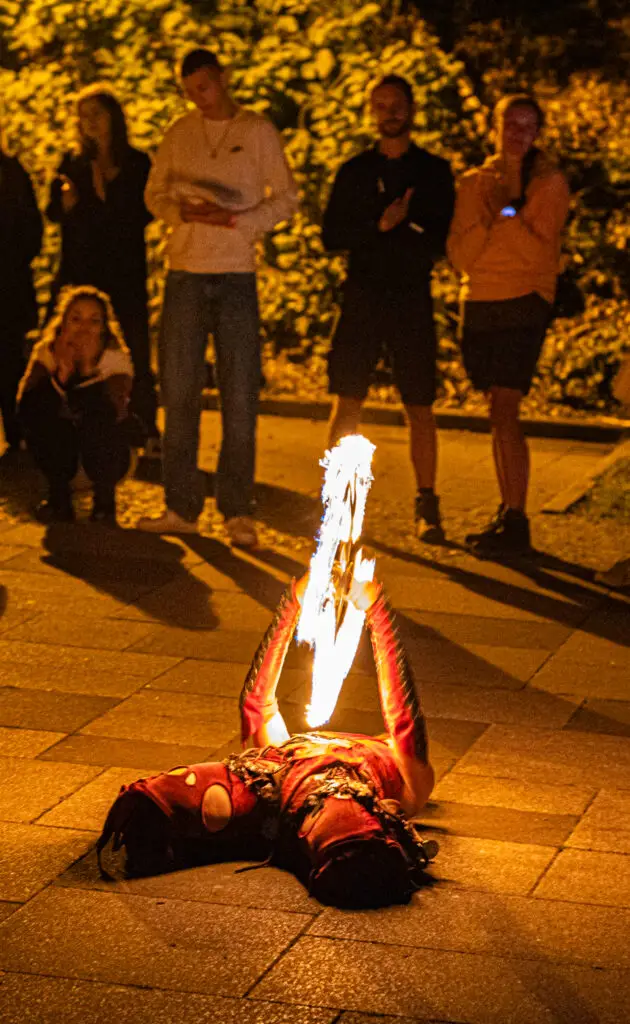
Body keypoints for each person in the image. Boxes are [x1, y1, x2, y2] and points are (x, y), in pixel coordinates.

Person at [97, 573, 437, 908]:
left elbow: (402, 718)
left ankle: (351, 856)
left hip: (303, 791)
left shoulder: (408, 782)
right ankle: (158, 821)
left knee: (343, 821)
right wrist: (304, 605)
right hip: (274, 781)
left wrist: (369, 612)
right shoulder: (407, 779)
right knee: (177, 791)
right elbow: (402, 719)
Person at [138, 48, 299, 548]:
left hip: (234, 273)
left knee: (239, 392)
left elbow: (287, 196)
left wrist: (238, 222)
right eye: (190, 93)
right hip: (184, 270)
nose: (199, 100)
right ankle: (180, 505)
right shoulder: (180, 132)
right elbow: (154, 192)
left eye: (204, 89)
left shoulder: (255, 132)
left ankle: (236, 510)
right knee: (180, 391)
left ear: (222, 79)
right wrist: (180, 214)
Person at [322, 75, 455, 543]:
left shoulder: (434, 172)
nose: (389, 112)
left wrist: (408, 226)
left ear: (412, 109)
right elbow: (331, 235)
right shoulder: (354, 171)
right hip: (362, 294)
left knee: (419, 402)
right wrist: (378, 225)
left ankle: (427, 503)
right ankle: (338, 504)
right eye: (380, 105)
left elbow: (442, 238)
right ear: (370, 112)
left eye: (396, 104)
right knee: (348, 399)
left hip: (411, 297)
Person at [447, 94, 570, 557]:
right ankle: (507, 512)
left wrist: (504, 215)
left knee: (505, 407)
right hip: (479, 300)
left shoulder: (549, 184)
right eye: (510, 124)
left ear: (538, 132)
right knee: (495, 412)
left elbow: (539, 254)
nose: (518, 134)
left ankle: (517, 518)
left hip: (525, 301)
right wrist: (501, 220)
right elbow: (461, 255)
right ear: (493, 127)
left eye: (527, 126)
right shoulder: (473, 183)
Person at [46, 86, 159, 452]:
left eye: (96, 113)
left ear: (113, 117)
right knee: (72, 342)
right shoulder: (72, 163)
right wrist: (68, 202)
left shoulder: (137, 164)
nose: (89, 122)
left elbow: (143, 213)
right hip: (82, 269)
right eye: (83, 115)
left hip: (124, 270)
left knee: (134, 344)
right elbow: (54, 214)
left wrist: (103, 190)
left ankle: (142, 423)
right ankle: (66, 423)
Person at [17, 285, 134, 524]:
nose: (84, 328)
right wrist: (61, 375)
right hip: (62, 457)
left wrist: (88, 370)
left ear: (103, 328)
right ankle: (58, 499)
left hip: (108, 461)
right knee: (47, 419)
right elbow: (26, 410)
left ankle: (104, 503)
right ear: (63, 324)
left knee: (99, 419)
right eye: (76, 319)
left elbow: (116, 415)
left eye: (94, 321)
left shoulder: (115, 359)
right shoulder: (47, 354)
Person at [0, 141, 43, 455]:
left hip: (8, 282)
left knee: (10, 358)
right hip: (11, 278)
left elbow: (31, 230)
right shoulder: (12, 173)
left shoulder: (12, 174)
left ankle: (16, 427)